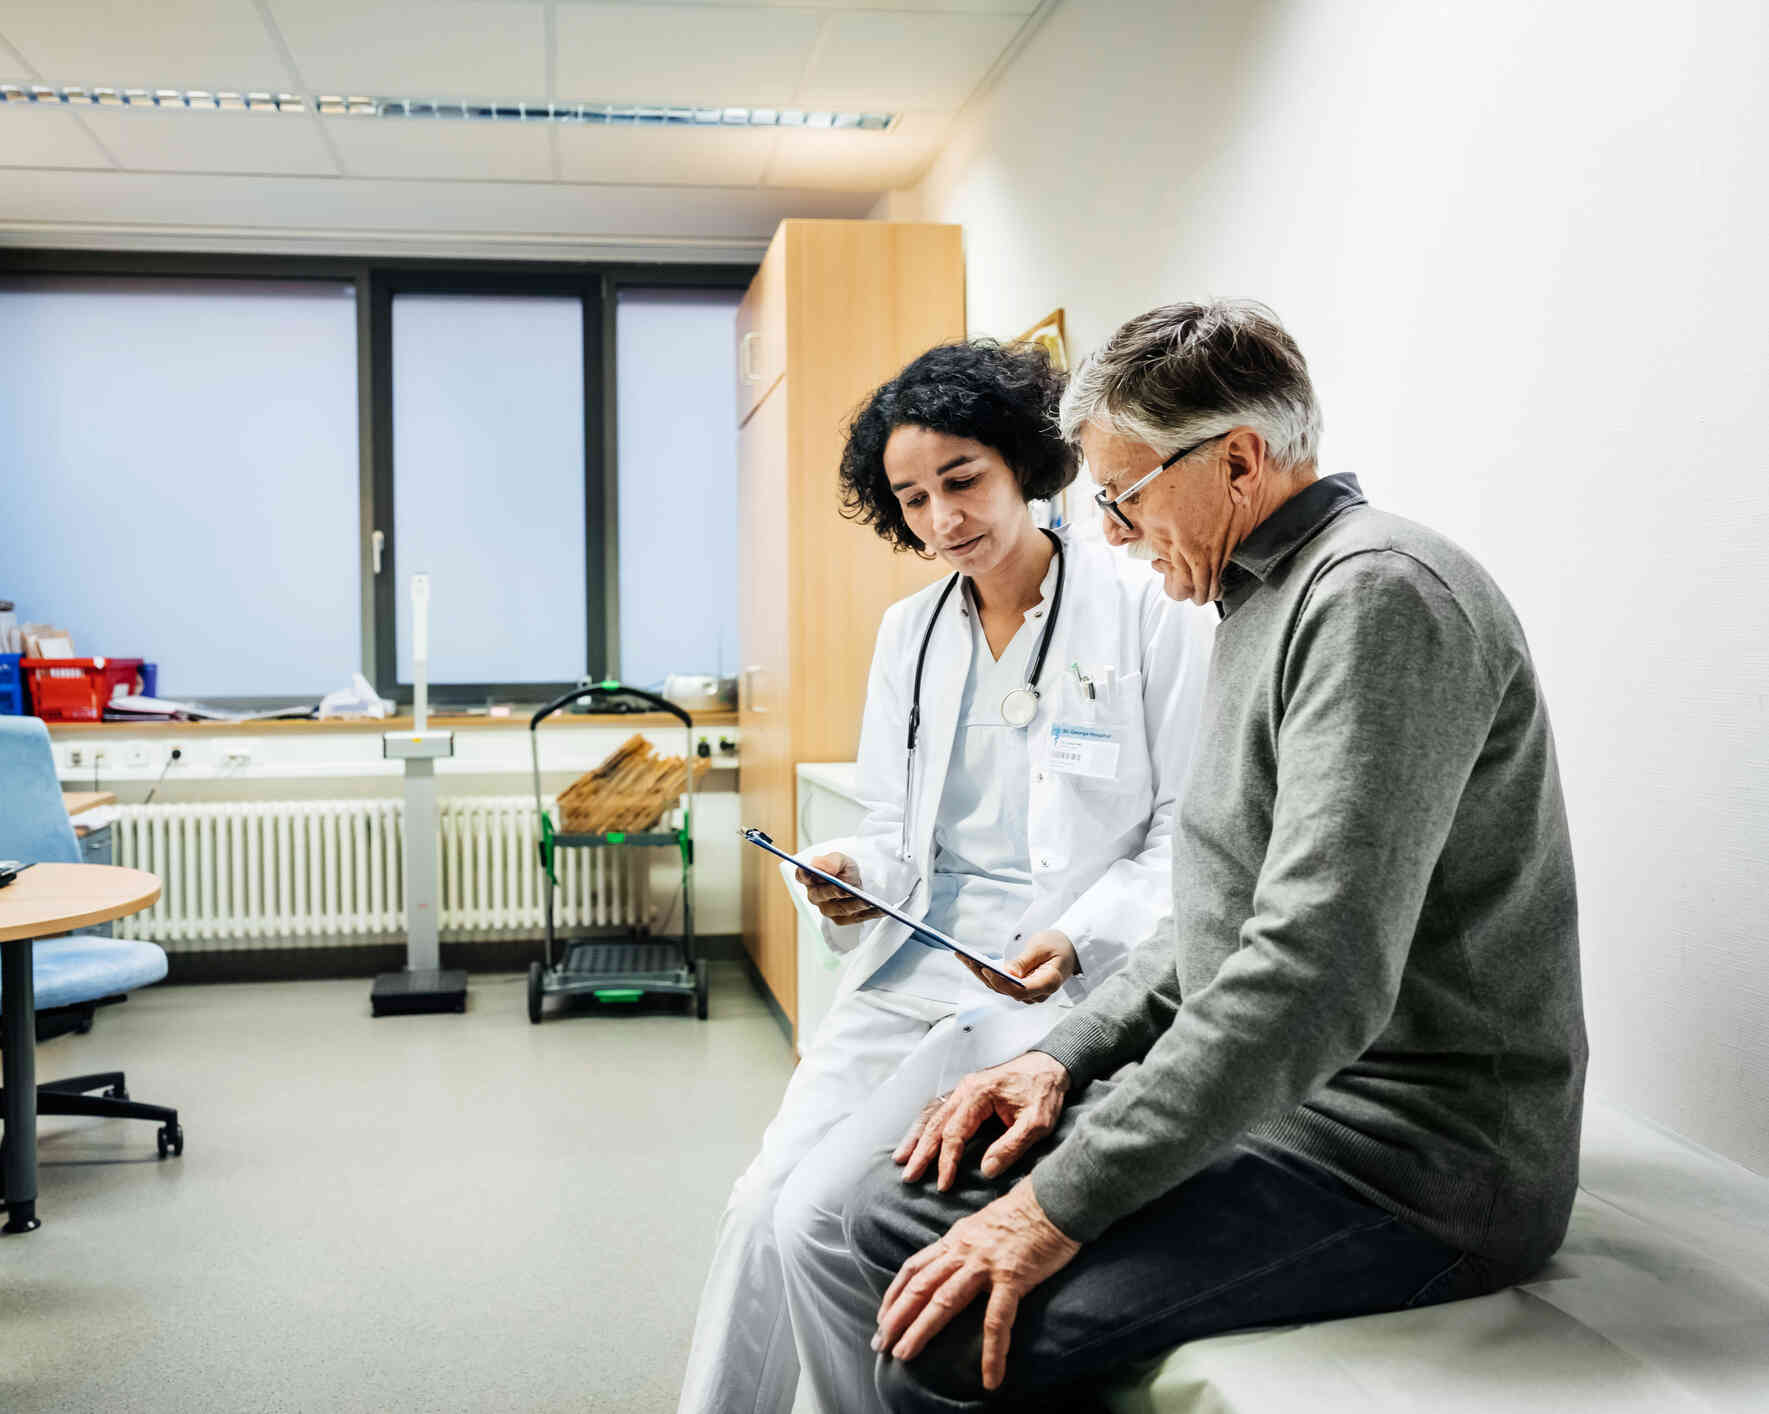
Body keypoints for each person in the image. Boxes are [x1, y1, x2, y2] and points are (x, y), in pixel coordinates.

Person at [841, 300, 1588, 1412]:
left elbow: (1312, 974)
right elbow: (1214, 910)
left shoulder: (1379, 600)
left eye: (1124, 496)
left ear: (1238, 461)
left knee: (938, 1346)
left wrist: (1052, 1210)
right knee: (887, 1207)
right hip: (1301, 1105)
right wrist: (1065, 1059)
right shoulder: (1261, 600)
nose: (1108, 533)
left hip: (1412, 1160)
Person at [678, 340, 1212, 1414]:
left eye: (961, 480)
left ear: (1023, 462)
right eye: (911, 499)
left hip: (1044, 987)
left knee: (813, 1218)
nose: (940, 520)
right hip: (916, 960)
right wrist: (846, 871)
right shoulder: (909, 634)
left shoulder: (1145, 608)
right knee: (757, 1205)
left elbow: (1183, 835)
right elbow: (894, 826)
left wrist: (1080, 936)